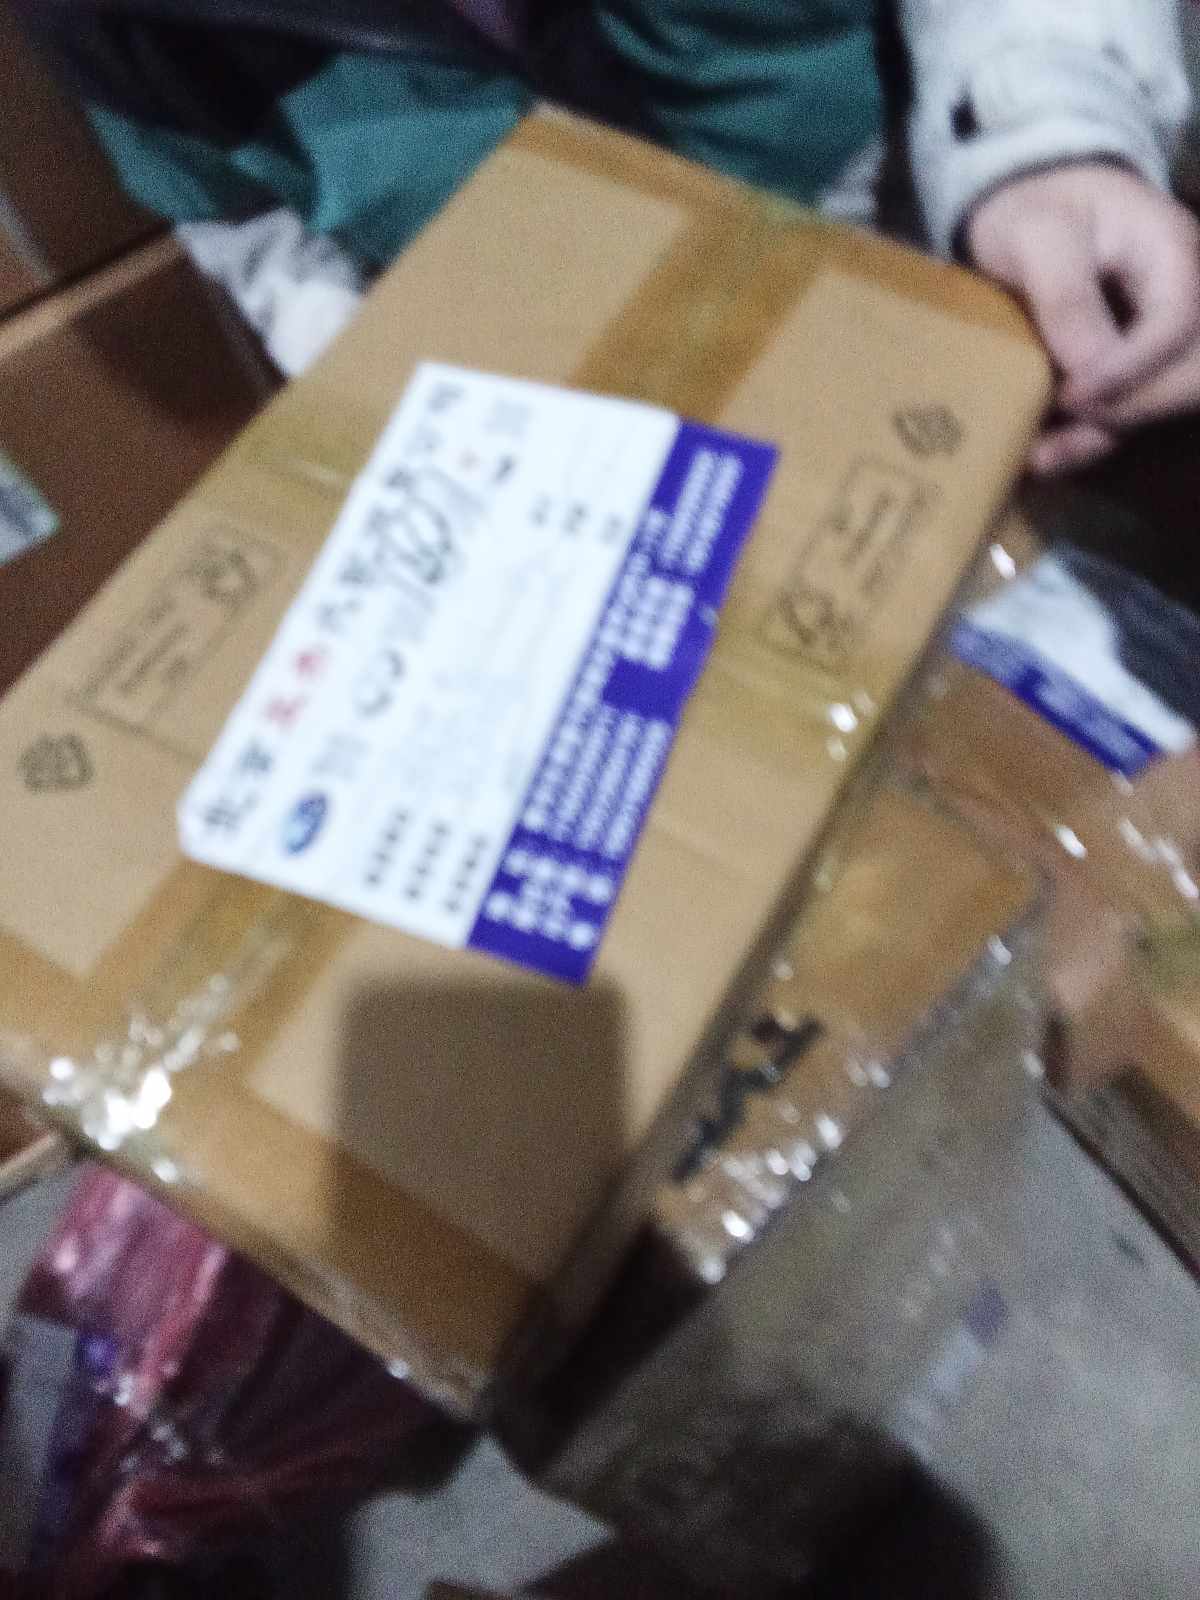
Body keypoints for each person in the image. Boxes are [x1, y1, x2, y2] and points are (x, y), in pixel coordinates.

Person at [21, 0, 1200, 471]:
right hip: (618, 436)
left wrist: (1048, 131)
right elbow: (246, 220)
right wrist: (386, 387)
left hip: (975, 269)